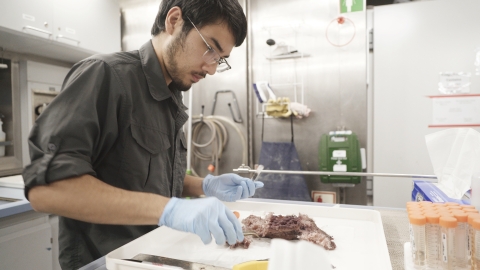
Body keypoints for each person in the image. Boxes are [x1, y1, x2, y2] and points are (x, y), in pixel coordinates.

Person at [22, 1, 263, 269]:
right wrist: (169, 210)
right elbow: (48, 191)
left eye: (220, 59)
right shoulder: (106, 75)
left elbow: (143, 174)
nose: (212, 68)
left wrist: (204, 185)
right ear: (174, 21)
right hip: (108, 261)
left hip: (152, 257)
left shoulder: (172, 95)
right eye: (210, 49)